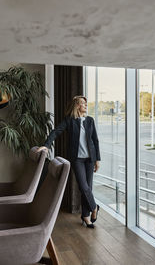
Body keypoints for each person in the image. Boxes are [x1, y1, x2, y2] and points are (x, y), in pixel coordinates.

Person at [37, 95, 101, 228]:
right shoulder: (70, 121)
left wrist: (97, 160)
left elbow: (95, 140)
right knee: (83, 186)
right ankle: (94, 207)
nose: (85, 106)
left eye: (85, 103)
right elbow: (56, 132)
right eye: (83, 103)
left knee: (88, 187)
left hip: (90, 159)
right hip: (77, 159)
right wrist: (46, 145)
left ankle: (85, 215)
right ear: (77, 106)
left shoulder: (90, 121)